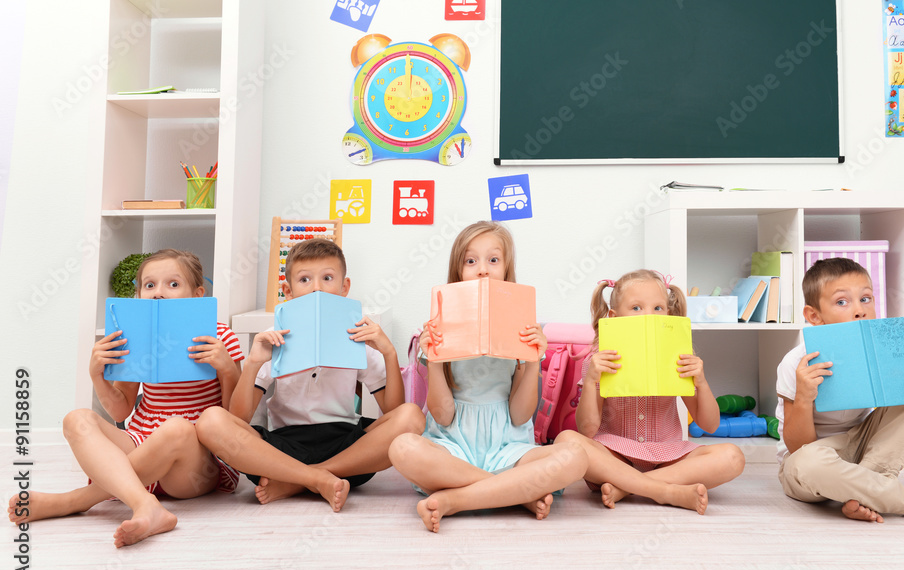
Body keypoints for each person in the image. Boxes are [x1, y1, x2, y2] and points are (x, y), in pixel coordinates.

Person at [8, 249, 244, 547]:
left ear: (198, 295)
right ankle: (145, 504)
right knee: (76, 419)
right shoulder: (135, 338)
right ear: (139, 295)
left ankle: (75, 500)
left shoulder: (222, 338)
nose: (158, 293)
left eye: (173, 284)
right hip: (140, 446)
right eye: (149, 285)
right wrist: (97, 374)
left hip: (192, 463)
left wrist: (226, 368)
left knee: (177, 427)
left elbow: (237, 419)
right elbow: (121, 412)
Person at [195, 239, 424, 512]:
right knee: (211, 421)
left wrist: (389, 353)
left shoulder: (357, 337)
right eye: (305, 280)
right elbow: (238, 418)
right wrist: (255, 361)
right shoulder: (274, 338)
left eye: (327, 278)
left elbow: (394, 411)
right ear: (288, 291)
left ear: (344, 288)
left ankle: (302, 480)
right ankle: (315, 479)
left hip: (348, 451)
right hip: (282, 449)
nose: (317, 288)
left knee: (412, 416)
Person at [388, 221, 587, 533]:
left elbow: (521, 417)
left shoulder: (520, 328)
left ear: (507, 270)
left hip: (508, 445)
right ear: (458, 272)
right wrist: (436, 361)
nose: (482, 269)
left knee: (576, 456)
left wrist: (534, 361)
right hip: (453, 446)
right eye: (471, 261)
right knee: (402, 447)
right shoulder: (440, 330)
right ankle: (514, 494)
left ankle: (458, 499)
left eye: (493, 260)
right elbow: (442, 415)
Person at [777, 257, 904, 522]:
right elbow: (799, 446)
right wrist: (804, 398)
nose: (859, 310)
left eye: (865, 299)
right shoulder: (796, 363)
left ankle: (866, 492)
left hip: (864, 449)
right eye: (842, 302)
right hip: (813, 459)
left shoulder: (882, 352)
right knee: (806, 462)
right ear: (814, 316)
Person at [555, 269, 743, 513]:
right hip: (614, 457)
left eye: (657, 308)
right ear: (613, 317)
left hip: (669, 457)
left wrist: (702, 383)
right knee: (566, 441)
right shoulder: (598, 362)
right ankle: (666, 491)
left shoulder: (679, 358)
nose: (648, 316)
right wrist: (591, 381)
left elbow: (710, 425)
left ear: (668, 313)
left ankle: (630, 487)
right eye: (636, 308)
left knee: (733, 456)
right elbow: (587, 429)